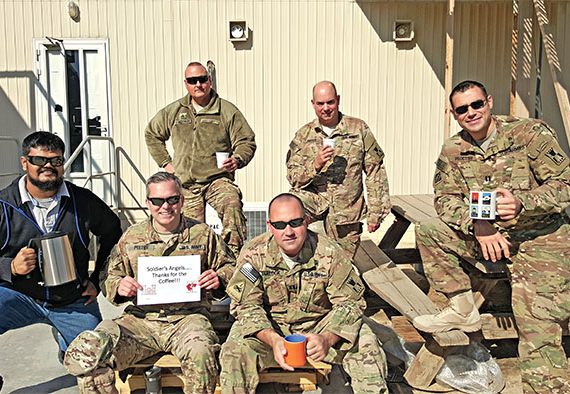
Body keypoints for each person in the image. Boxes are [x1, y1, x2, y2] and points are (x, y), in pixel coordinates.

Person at [411, 80, 570, 392]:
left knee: (536, 328)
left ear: (489, 102)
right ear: (454, 114)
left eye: (476, 104)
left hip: (541, 239)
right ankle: (462, 306)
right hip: (490, 237)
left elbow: (565, 184)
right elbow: (444, 199)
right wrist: (477, 224)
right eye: (462, 109)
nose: (471, 113)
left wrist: (525, 202)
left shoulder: (530, 134)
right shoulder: (454, 150)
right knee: (428, 230)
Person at [64, 172, 236, 394]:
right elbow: (110, 276)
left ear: (182, 200)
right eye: (157, 201)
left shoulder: (202, 234)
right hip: (141, 322)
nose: (166, 206)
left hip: (188, 320)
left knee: (202, 354)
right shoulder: (132, 237)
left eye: (172, 199)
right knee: (91, 353)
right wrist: (119, 286)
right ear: (148, 203)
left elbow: (233, 269)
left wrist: (218, 278)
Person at [219, 193, 387, 393]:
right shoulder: (253, 254)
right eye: (280, 225)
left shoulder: (330, 252)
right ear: (270, 226)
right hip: (271, 330)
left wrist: (328, 337)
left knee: (366, 342)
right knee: (234, 352)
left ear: (307, 221)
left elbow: (351, 302)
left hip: (318, 328)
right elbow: (246, 305)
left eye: (295, 222)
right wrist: (272, 339)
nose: (288, 231)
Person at [0, 131, 122, 360]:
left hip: (72, 301)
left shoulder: (82, 200)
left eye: (56, 160)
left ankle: (66, 338)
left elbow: (113, 232)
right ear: (24, 162)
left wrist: (98, 280)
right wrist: (10, 267)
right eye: (39, 160)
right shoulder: (4, 204)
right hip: (18, 296)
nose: (48, 166)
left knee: (95, 357)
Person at [145, 61, 256, 256]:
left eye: (202, 79)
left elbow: (247, 141)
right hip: (186, 184)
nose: (198, 84)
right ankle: (192, 267)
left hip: (217, 179)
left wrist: (237, 159)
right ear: (186, 83)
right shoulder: (175, 111)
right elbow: (152, 134)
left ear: (209, 81)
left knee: (232, 204)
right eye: (192, 80)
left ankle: (231, 257)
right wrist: (165, 163)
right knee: (188, 231)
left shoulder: (227, 111)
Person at [286, 81, 391, 257]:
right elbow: (293, 178)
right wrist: (315, 165)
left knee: (343, 266)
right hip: (315, 216)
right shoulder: (304, 135)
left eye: (330, 102)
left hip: (346, 217)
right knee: (315, 266)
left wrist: (376, 213)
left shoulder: (358, 129)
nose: (325, 108)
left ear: (338, 100)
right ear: (313, 104)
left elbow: (375, 171)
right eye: (320, 104)